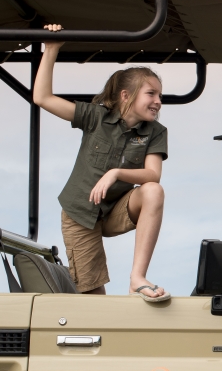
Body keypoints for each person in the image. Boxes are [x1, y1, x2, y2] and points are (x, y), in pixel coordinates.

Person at [31, 24, 170, 301]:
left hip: (116, 210)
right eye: (151, 94)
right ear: (126, 96)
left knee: (153, 191)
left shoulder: (156, 132)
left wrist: (115, 172)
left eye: (160, 96)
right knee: (95, 300)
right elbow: (42, 98)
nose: (158, 101)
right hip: (81, 214)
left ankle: (137, 279)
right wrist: (52, 50)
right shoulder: (95, 117)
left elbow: (153, 175)